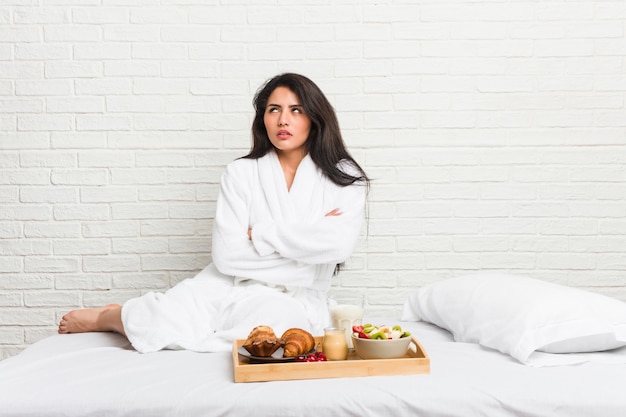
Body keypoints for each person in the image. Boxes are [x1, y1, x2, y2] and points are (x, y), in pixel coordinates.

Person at [58, 73, 369, 353]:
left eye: (296, 110)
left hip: (293, 298)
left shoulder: (342, 176)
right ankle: (110, 316)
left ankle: (128, 317)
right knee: (165, 317)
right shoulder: (242, 173)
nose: (283, 120)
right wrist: (306, 256)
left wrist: (261, 233)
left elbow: (338, 246)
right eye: (274, 110)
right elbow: (227, 257)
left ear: (315, 117)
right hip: (226, 282)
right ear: (263, 118)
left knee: (274, 328)